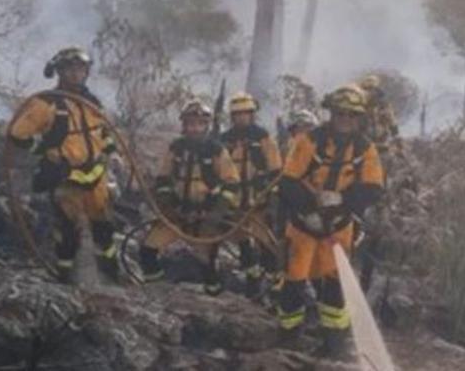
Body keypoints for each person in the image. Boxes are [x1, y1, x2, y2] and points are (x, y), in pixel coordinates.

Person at [277, 85, 384, 356]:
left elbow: (373, 188)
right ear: (331, 113)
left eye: (351, 114)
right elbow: (288, 181)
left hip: (338, 227)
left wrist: (342, 198)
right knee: (294, 280)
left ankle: (333, 342)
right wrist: (309, 210)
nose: (345, 119)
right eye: (340, 113)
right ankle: (288, 336)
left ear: (359, 117)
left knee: (335, 284)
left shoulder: (365, 148)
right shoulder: (309, 141)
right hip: (303, 225)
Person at [8, 47, 119, 284]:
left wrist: (111, 152)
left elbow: (104, 132)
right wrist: (43, 150)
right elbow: (18, 134)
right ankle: (65, 277)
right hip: (66, 177)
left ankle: (110, 274)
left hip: (96, 175)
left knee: (103, 226)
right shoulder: (46, 103)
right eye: (70, 69)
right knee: (67, 230)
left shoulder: (91, 102)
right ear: (59, 71)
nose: (76, 74)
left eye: (80, 69)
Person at [139, 98, 239, 295]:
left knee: (207, 262)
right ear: (184, 125)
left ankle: (214, 298)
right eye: (191, 124)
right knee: (147, 250)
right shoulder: (176, 148)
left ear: (207, 126)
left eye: (200, 124)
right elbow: (163, 180)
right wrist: (168, 207)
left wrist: (216, 213)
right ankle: (156, 292)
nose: (195, 128)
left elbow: (231, 183)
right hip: (177, 214)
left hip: (205, 216)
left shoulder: (217, 150)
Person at [217, 92, 282, 298]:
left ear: (252, 114)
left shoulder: (262, 137)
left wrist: (272, 196)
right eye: (237, 114)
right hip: (235, 201)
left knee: (265, 241)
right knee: (243, 241)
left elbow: (275, 170)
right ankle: (253, 281)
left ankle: (273, 283)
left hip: (258, 199)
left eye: (245, 113)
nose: (241, 117)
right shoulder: (224, 140)